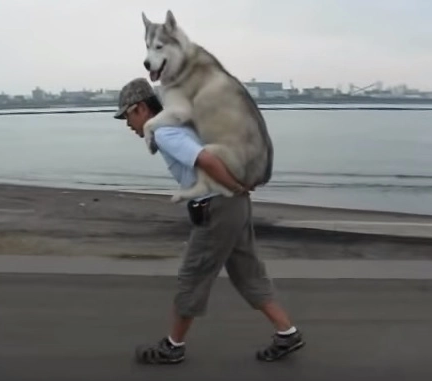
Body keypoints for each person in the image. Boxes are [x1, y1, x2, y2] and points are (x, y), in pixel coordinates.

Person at [113, 78, 305, 365]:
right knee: (246, 271)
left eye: (127, 115)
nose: (127, 124)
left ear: (140, 108)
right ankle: (287, 333)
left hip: (217, 207)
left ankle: (172, 347)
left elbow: (205, 159)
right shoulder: (180, 123)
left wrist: (234, 186)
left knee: (192, 277)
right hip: (233, 206)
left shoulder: (164, 131)